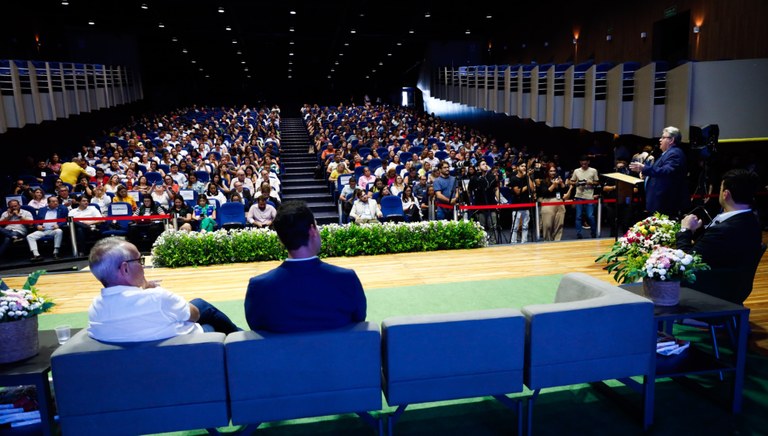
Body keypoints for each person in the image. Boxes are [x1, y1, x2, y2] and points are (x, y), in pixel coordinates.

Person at [244, 200, 366, 333]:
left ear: (280, 238)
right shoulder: (347, 279)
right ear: (312, 230)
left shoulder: (259, 287)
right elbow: (358, 321)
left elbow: (256, 328)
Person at [87, 238, 240, 342]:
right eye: (139, 261)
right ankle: (241, 336)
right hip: (188, 349)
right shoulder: (156, 298)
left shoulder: (95, 308)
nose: (143, 266)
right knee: (203, 311)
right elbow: (194, 315)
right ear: (125, 268)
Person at [676, 169, 763, 304]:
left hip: (711, 288)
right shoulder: (752, 220)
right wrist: (697, 231)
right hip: (734, 286)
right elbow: (715, 248)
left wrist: (685, 230)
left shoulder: (725, 230)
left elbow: (687, 262)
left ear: (725, 194)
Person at [629, 126, 689, 218]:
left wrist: (644, 168)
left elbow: (667, 171)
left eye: (663, 137)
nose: (660, 140)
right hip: (659, 202)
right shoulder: (666, 154)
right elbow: (660, 173)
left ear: (671, 140)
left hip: (664, 203)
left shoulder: (674, 153)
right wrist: (648, 176)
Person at [537, 163, 571, 241]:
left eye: (554, 171)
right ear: (547, 172)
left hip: (559, 202)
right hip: (548, 202)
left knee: (559, 224)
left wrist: (562, 183)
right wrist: (553, 185)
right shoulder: (543, 181)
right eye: (551, 171)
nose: (553, 173)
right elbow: (544, 193)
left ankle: (557, 241)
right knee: (547, 225)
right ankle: (547, 241)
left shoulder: (558, 180)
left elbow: (564, 192)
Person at [27, 196, 68, 261]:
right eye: (53, 201)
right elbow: (36, 220)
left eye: (56, 201)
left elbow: (66, 220)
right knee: (30, 236)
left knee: (59, 231)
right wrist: (37, 226)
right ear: (48, 203)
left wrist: (58, 225)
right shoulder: (42, 209)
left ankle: (56, 252)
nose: (56, 203)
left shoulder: (63, 208)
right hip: (43, 230)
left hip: (54, 230)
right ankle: (36, 255)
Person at [569, 155, 599, 239]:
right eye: (582, 162)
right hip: (579, 195)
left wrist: (590, 182)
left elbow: (597, 182)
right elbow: (571, 181)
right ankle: (579, 233)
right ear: (580, 162)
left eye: (585, 162)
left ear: (588, 162)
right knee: (578, 216)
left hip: (589, 196)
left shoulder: (593, 171)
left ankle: (593, 232)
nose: (583, 164)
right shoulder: (576, 171)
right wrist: (577, 183)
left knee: (590, 216)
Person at [509, 162, 536, 243]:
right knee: (515, 226)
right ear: (517, 168)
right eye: (522, 166)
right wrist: (526, 187)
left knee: (525, 225)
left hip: (526, 204)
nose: (524, 167)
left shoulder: (527, 178)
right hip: (516, 205)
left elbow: (532, 188)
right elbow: (517, 191)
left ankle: (524, 241)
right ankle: (513, 242)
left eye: (525, 166)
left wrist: (528, 177)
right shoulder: (514, 178)